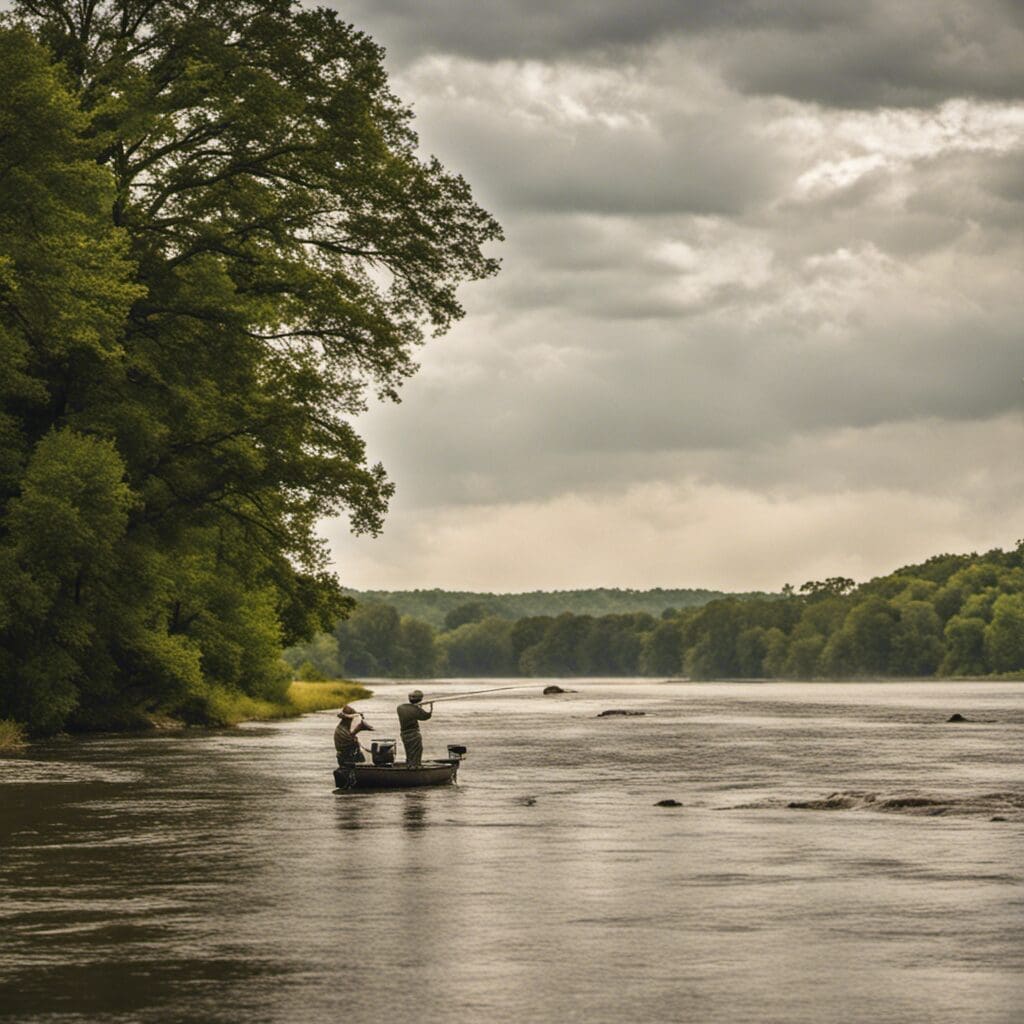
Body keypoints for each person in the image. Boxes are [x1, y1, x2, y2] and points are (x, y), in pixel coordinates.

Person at [397, 690, 433, 767]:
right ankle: (415, 767)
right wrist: (431, 707)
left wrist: (418, 707)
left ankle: (409, 765)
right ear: (420, 699)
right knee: (417, 752)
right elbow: (426, 716)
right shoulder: (416, 709)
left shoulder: (400, 707)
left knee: (409, 752)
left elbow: (413, 712)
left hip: (404, 734)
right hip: (413, 734)